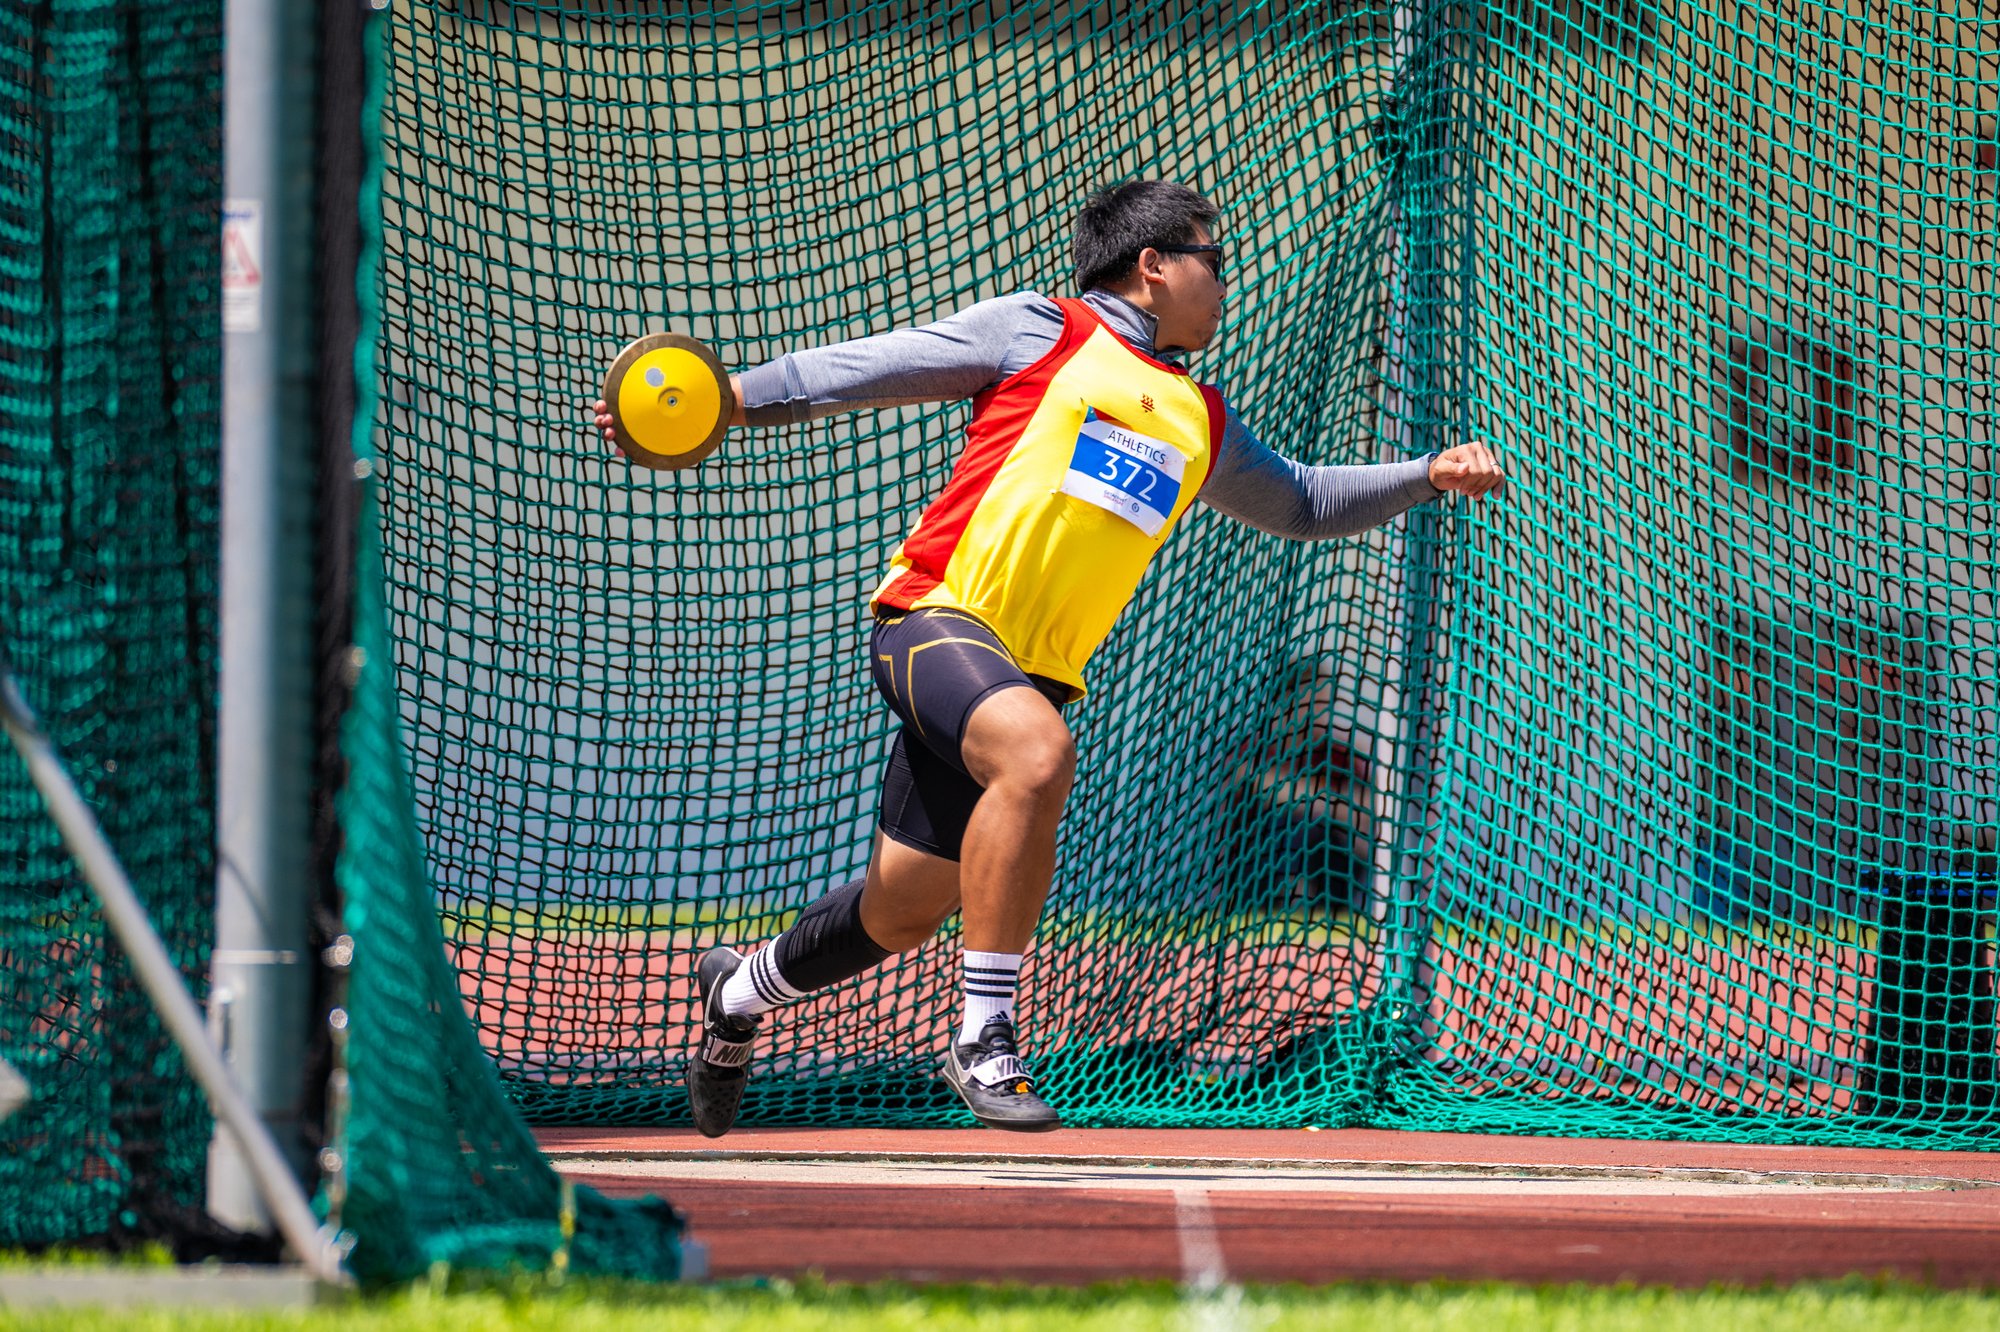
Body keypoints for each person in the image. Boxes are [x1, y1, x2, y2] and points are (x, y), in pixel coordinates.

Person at [590, 180, 1506, 1136]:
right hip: (936, 620)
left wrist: (1427, 475)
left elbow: (1306, 503)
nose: (1223, 280)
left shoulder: (1200, 417)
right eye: (1212, 258)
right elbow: (869, 368)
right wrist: (725, 401)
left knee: (902, 913)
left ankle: (741, 989)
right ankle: (985, 1036)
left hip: (1023, 676)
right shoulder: (1043, 330)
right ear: (1153, 266)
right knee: (1037, 755)